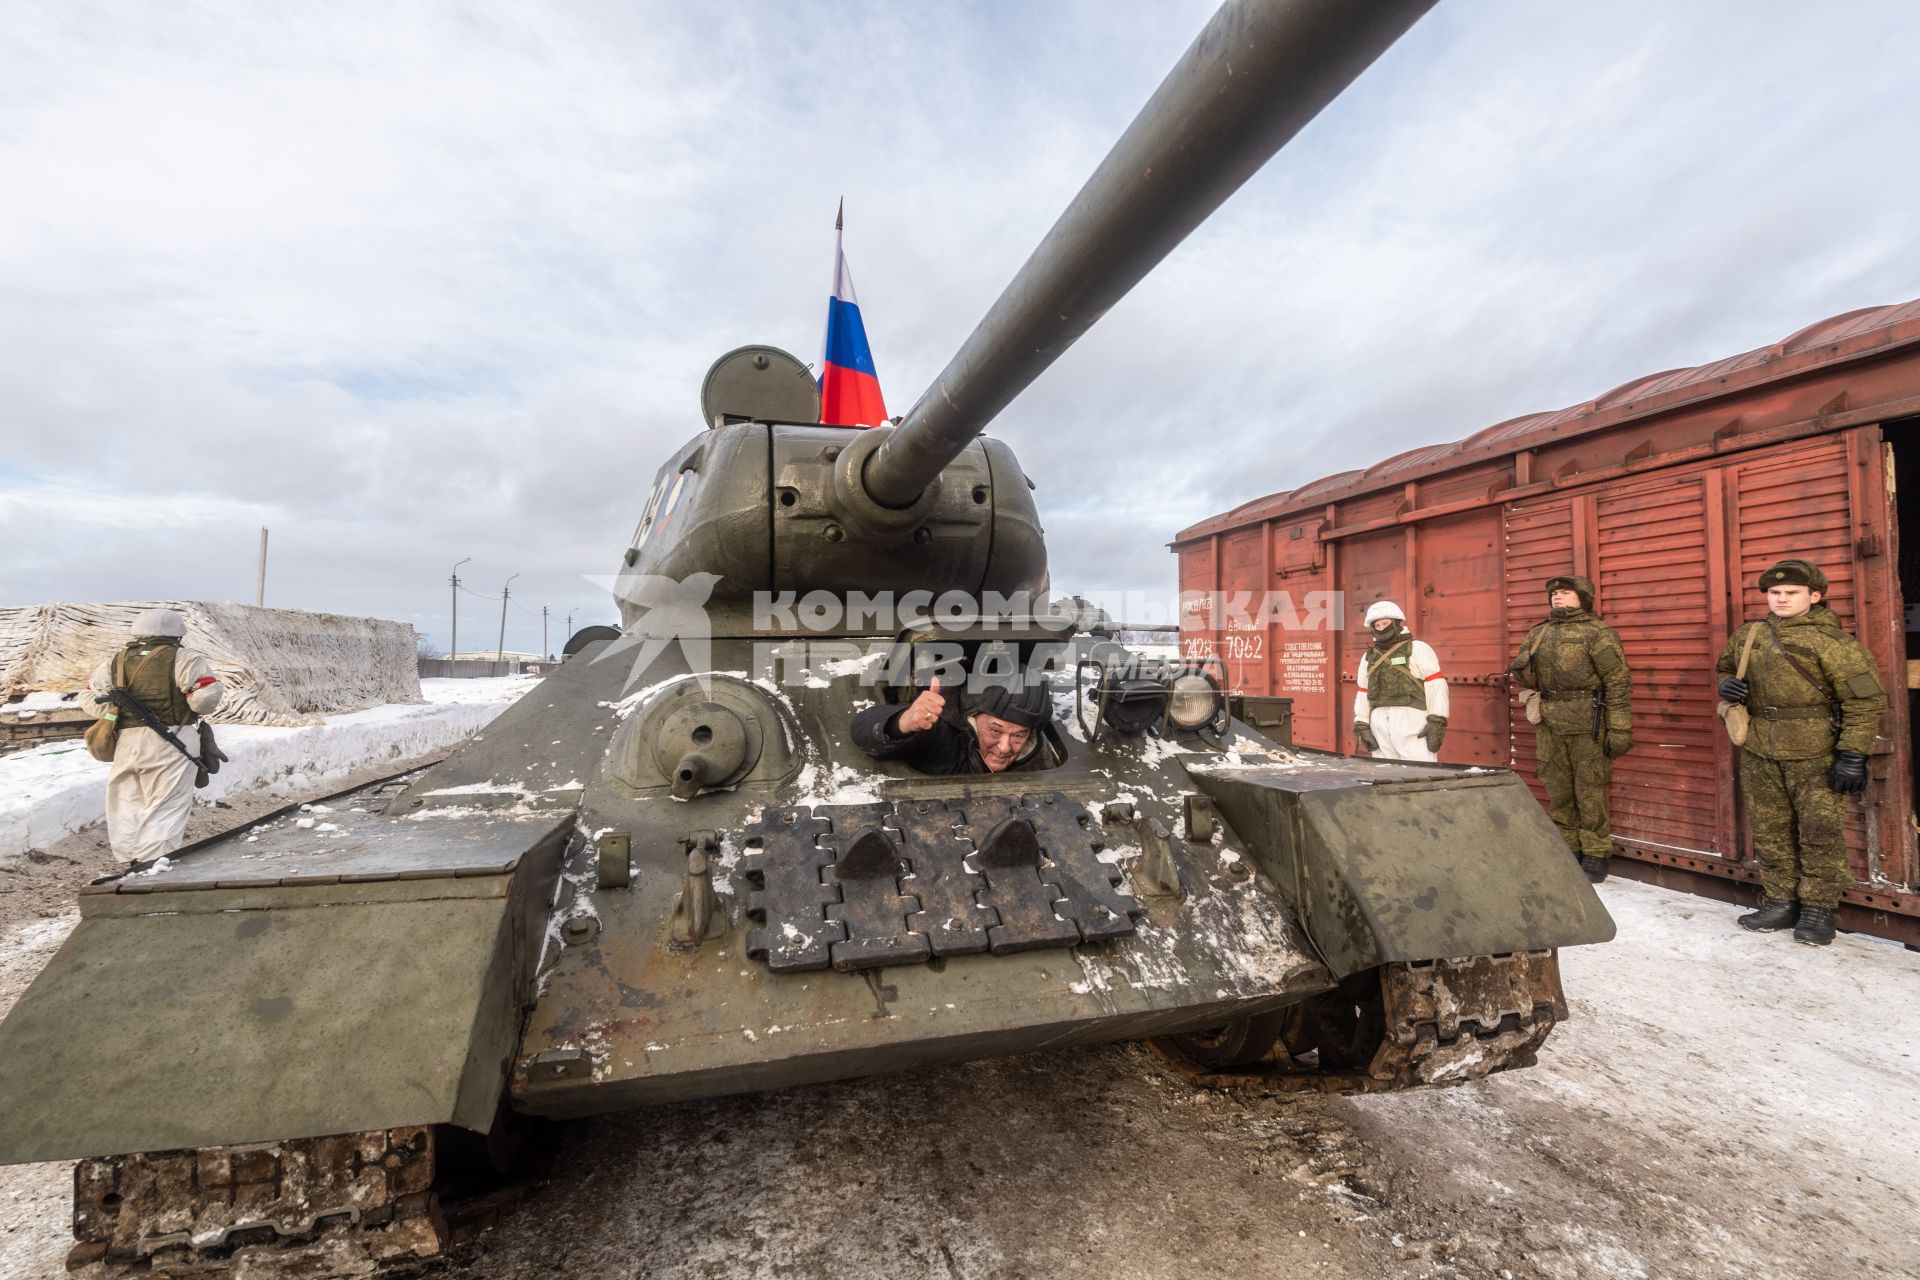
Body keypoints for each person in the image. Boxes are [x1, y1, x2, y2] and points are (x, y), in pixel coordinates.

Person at [1715, 559, 1884, 946]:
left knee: (1819, 832)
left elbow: (1865, 701)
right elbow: (1724, 667)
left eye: (1791, 593)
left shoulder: (1835, 644)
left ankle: (1819, 909)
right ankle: (1779, 900)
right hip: (1759, 746)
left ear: (1815, 596)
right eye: (1775, 593)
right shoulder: (1750, 635)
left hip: (1815, 751)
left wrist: (1853, 754)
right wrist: (1727, 686)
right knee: (1770, 829)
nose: (1782, 599)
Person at [1509, 575, 1632, 883]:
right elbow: (1528, 680)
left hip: (1587, 722)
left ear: (1583, 597)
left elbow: (1617, 681)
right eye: (1554, 594)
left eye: (1565, 593)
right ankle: (1568, 847)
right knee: (1558, 788)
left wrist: (1619, 728)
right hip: (1550, 722)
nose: (1557, 598)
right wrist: (1522, 669)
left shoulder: (1597, 633)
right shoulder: (1539, 633)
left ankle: (1595, 852)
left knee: (1590, 789)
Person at [85, 608, 225, 863]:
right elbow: (203, 701)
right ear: (178, 634)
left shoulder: (115, 661)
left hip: (125, 741)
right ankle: (151, 863)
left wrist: (119, 708)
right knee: (167, 802)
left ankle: (127, 860)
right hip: (172, 739)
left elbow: (90, 700)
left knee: (126, 801)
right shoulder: (186, 659)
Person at [851, 677, 1050, 775]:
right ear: (972, 718)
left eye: (1018, 736)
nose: (1005, 748)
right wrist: (901, 723)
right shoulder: (939, 730)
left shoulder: (1036, 753)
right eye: (995, 730)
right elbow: (862, 728)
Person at [1351, 600, 1449, 762]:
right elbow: (1363, 691)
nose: (1382, 628)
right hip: (1379, 722)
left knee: (1419, 771)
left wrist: (1437, 720)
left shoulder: (1418, 648)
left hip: (1412, 719)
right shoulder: (1369, 656)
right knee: (1384, 771)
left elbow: (1436, 685)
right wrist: (1361, 722)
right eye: (1378, 625)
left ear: (1396, 622)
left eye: (1385, 623)